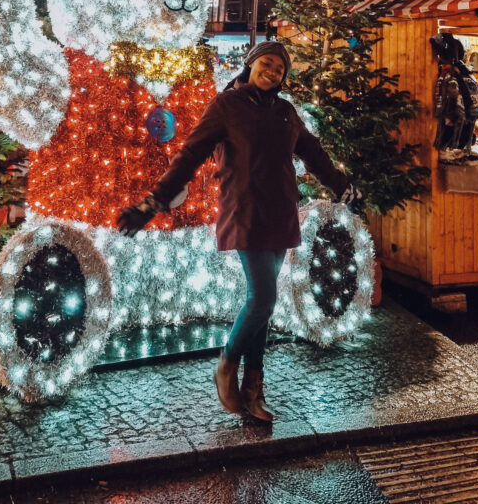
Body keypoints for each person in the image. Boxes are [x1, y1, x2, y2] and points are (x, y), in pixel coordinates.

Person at [116, 40, 358, 422]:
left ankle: (254, 390)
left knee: (262, 303)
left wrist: (339, 183)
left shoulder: (285, 112)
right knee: (263, 298)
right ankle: (226, 364)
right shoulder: (227, 106)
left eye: (280, 68)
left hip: (280, 214)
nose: (273, 71)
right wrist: (153, 202)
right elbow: (190, 154)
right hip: (245, 213)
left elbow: (313, 153)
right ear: (250, 65)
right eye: (267, 63)